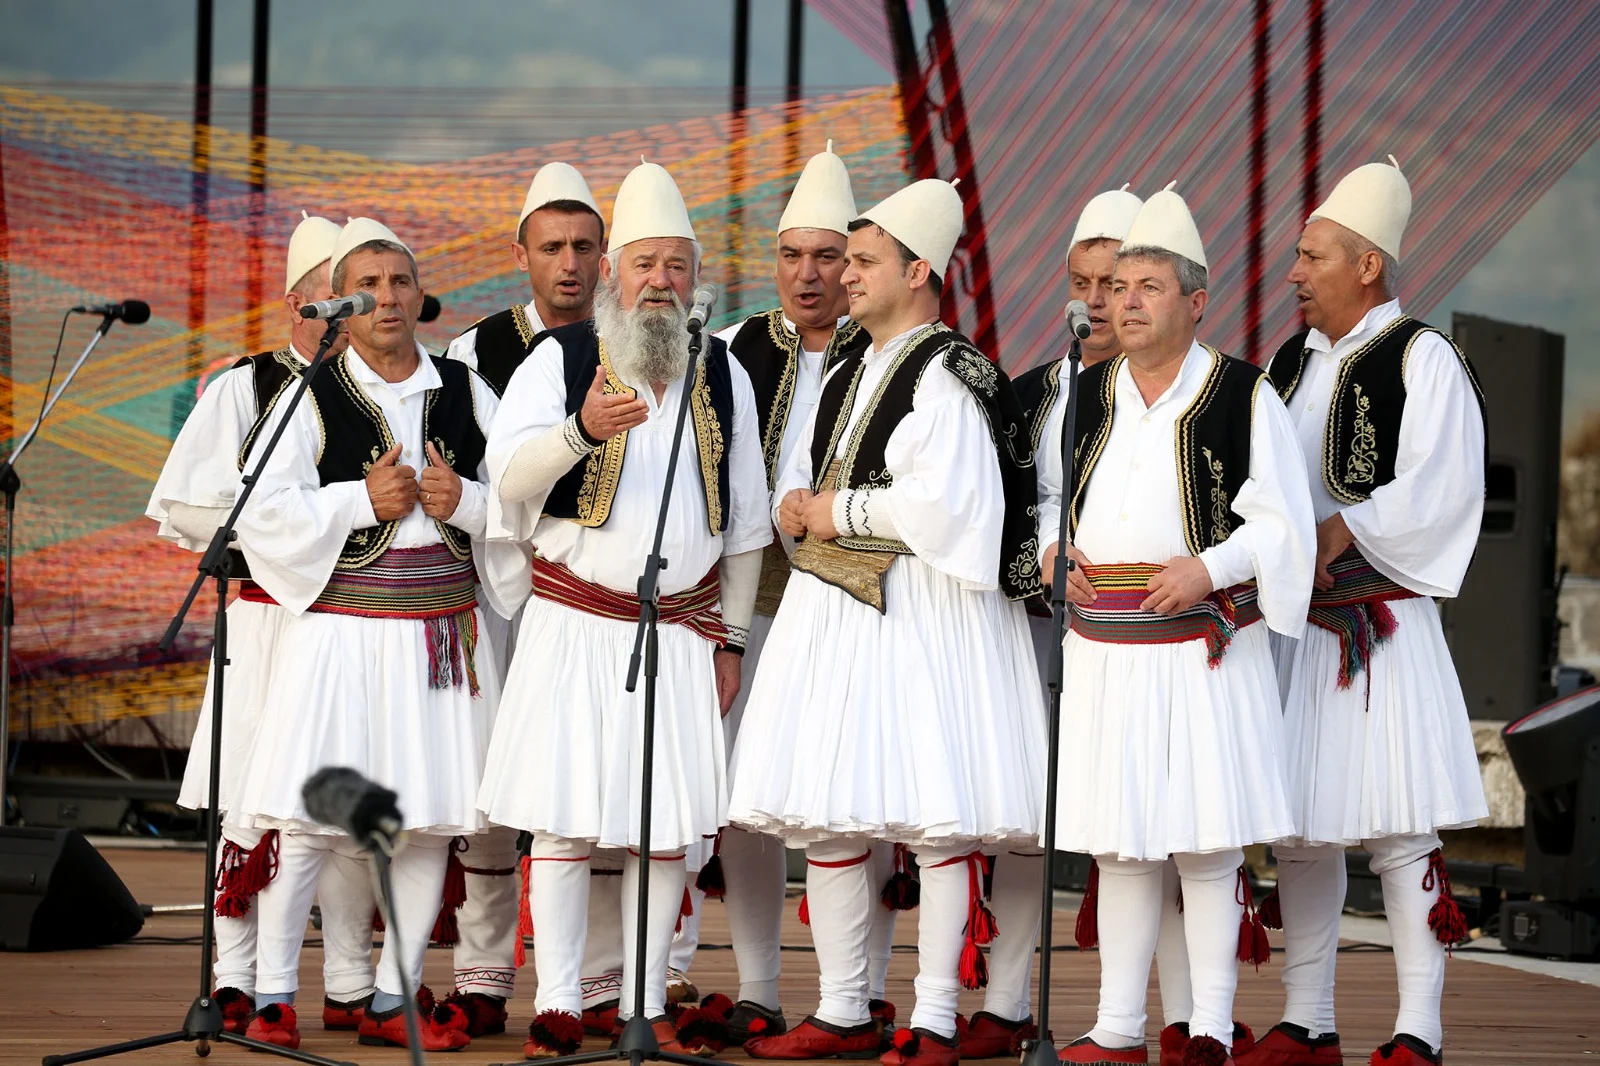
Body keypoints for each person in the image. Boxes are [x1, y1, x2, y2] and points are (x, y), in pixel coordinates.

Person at [730, 178, 1046, 1066]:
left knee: (935, 821)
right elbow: (804, 473)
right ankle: (841, 1010)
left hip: (924, 614)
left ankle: (937, 1017)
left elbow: (954, 511)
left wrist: (836, 513)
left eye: (863, 260)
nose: (845, 274)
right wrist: (800, 503)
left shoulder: (949, 372)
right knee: (831, 815)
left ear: (918, 270)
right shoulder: (847, 366)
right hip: (837, 616)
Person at [475, 159, 769, 1058]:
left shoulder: (723, 373)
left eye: (676, 266)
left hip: (682, 632)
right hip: (575, 624)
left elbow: (750, 526)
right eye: (644, 264)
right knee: (564, 819)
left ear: (696, 279)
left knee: (663, 830)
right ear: (613, 272)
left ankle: (641, 1002)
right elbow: (506, 480)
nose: (660, 283)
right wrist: (582, 432)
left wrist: (729, 640)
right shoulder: (558, 361)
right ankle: (560, 1001)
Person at [1040, 187, 1314, 1066]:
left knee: (1203, 839)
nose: (1124, 300)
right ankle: (1118, 1028)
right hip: (1103, 652)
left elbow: (1282, 524)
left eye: (1148, 286)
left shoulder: (1242, 394)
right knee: (1121, 846)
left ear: (1196, 302)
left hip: (1201, 646)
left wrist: (1210, 566)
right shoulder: (1085, 394)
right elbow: (1047, 499)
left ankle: (1206, 1030)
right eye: (1118, 284)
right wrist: (1049, 554)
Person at [231, 217, 505, 1052]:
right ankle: (275, 996)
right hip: (341, 634)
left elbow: (525, 507)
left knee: (425, 821)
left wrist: (470, 503)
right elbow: (259, 516)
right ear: (338, 308)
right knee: (312, 819)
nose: (387, 297)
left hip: (440, 637)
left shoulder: (466, 390)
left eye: (400, 282)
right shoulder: (306, 393)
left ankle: (393, 997)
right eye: (369, 285)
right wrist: (359, 499)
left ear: (422, 297)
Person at [1238, 159, 1487, 1066]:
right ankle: (1310, 1021)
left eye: (1312, 257)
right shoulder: (1290, 362)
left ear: (1367, 264)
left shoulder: (1424, 356)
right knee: (1301, 826)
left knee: (1396, 824)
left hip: (1378, 623)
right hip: (1297, 629)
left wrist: (1344, 529)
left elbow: (1448, 485)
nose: (1295, 274)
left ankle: (1418, 1029)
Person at [146, 212, 379, 1035]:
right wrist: (289, 527)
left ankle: (352, 981)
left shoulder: (390, 388)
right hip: (265, 621)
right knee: (250, 803)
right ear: (297, 304)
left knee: (347, 802)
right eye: (338, 300)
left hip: (358, 631)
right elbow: (186, 502)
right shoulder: (246, 385)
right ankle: (236, 978)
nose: (355, 314)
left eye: (365, 298)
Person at [682, 140, 889, 1044]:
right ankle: (761, 986)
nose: (809, 275)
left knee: (860, 792)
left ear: (860, 263)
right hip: (750, 609)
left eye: (830, 256)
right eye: (792, 256)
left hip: (857, 612)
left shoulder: (892, 352)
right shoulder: (729, 351)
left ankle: (867, 988)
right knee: (749, 797)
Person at [440, 161, 609, 1039]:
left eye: (584, 245)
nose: (569, 263)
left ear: (606, 254)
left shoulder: (637, 337)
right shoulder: (475, 355)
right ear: (522, 254)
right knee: (496, 794)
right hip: (501, 597)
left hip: (599, 605)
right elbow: (475, 480)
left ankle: (608, 983)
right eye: (553, 247)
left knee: (602, 792)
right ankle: (482, 975)